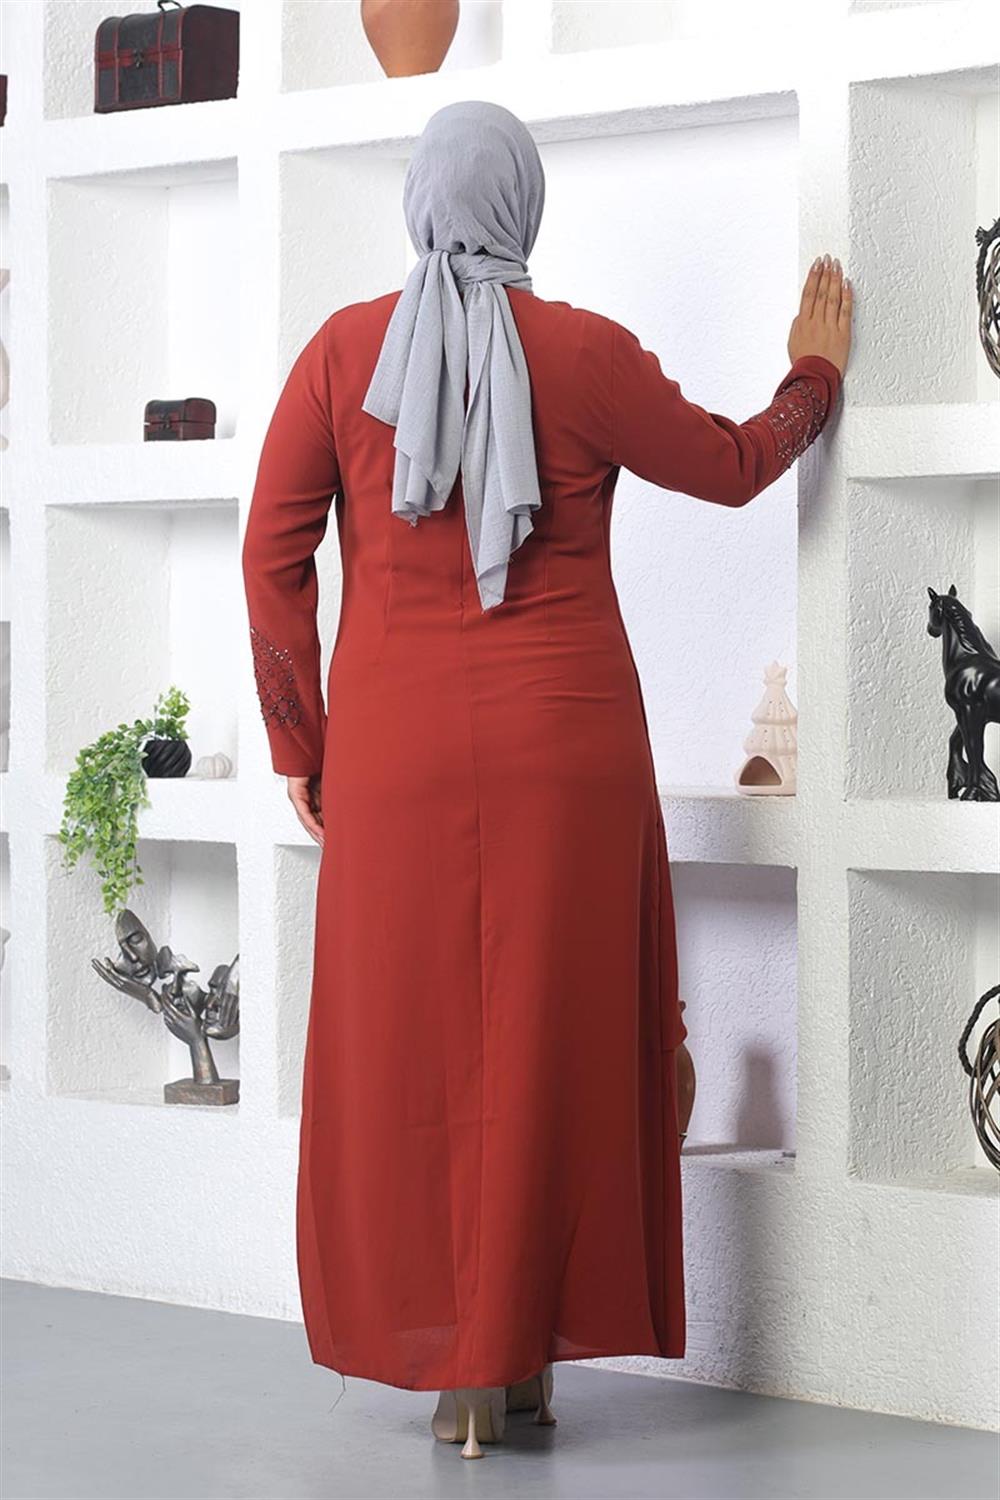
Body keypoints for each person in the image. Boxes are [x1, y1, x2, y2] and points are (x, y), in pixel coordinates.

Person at [241, 99, 852, 1461]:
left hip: (393, 760)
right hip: (568, 761)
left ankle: (457, 1367)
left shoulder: (339, 357)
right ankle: (518, 1364)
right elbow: (735, 466)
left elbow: (270, 556)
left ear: (418, 200)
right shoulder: (584, 352)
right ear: (522, 206)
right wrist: (812, 377)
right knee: (545, 1047)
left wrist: (302, 744)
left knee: (410, 1056)